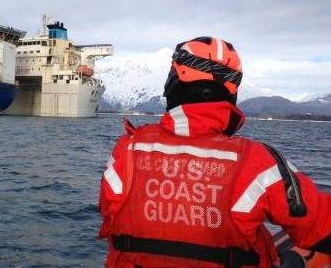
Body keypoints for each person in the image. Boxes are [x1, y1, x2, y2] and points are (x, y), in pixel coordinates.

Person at [98, 37, 331, 268]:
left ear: (174, 82)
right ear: (231, 93)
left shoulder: (126, 150)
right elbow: (321, 226)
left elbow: (109, 212)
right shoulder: (259, 161)